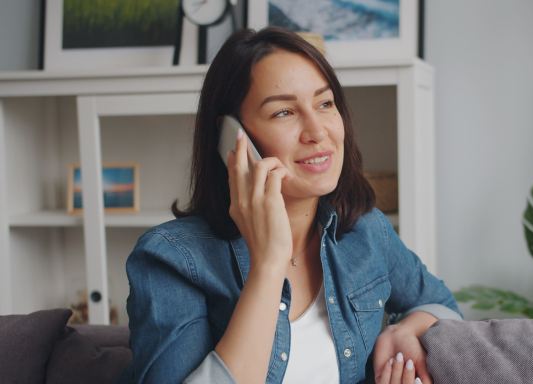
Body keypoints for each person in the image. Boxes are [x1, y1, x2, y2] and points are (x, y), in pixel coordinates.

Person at [120, 27, 462, 384]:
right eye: (284, 112)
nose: (317, 131)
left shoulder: (365, 231)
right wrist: (269, 265)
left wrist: (406, 329)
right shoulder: (172, 260)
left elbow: (442, 306)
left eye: (325, 103)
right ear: (231, 138)